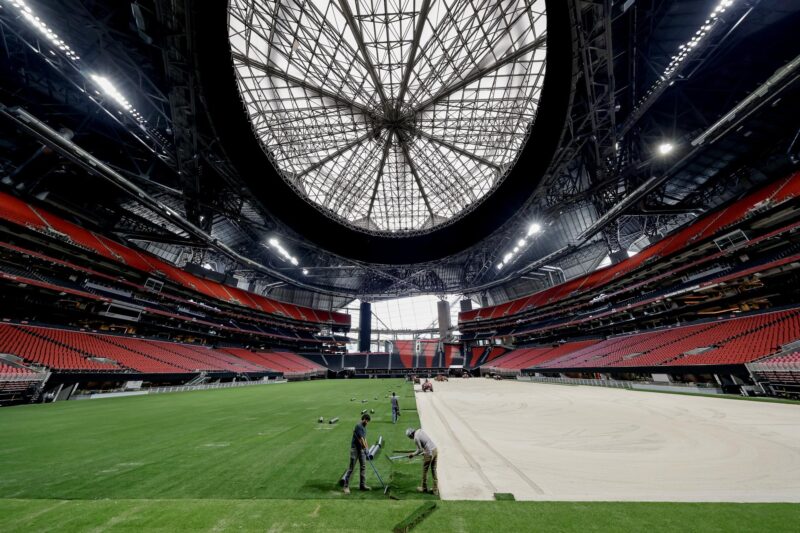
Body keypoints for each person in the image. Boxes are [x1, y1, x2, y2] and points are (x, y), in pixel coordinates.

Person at [342, 414, 371, 494]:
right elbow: (361, 439)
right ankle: (345, 486)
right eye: (366, 420)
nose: (367, 422)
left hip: (361, 449)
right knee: (351, 468)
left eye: (368, 421)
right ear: (363, 419)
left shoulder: (364, 428)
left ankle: (362, 485)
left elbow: (365, 439)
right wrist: (364, 448)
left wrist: (367, 448)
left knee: (363, 467)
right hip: (355, 449)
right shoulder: (358, 426)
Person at [406, 427, 438, 495]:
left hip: (429, 453)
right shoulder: (419, 430)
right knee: (433, 470)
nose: (411, 438)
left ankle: (424, 488)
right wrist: (424, 451)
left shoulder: (415, 438)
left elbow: (420, 450)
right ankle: (435, 490)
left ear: (411, 435)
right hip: (435, 450)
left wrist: (412, 454)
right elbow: (425, 443)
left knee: (425, 470)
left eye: (410, 437)